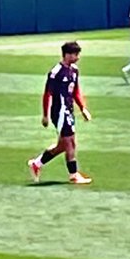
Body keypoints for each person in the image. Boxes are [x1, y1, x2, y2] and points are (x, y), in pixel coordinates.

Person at [28, 41, 92, 185]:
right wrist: (45, 115)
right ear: (67, 55)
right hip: (59, 112)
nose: (78, 57)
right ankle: (73, 175)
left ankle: (37, 163)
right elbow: (47, 94)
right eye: (75, 54)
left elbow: (75, 91)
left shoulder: (74, 70)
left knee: (63, 145)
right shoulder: (56, 72)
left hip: (68, 111)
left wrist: (83, 109)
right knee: (70, 143)